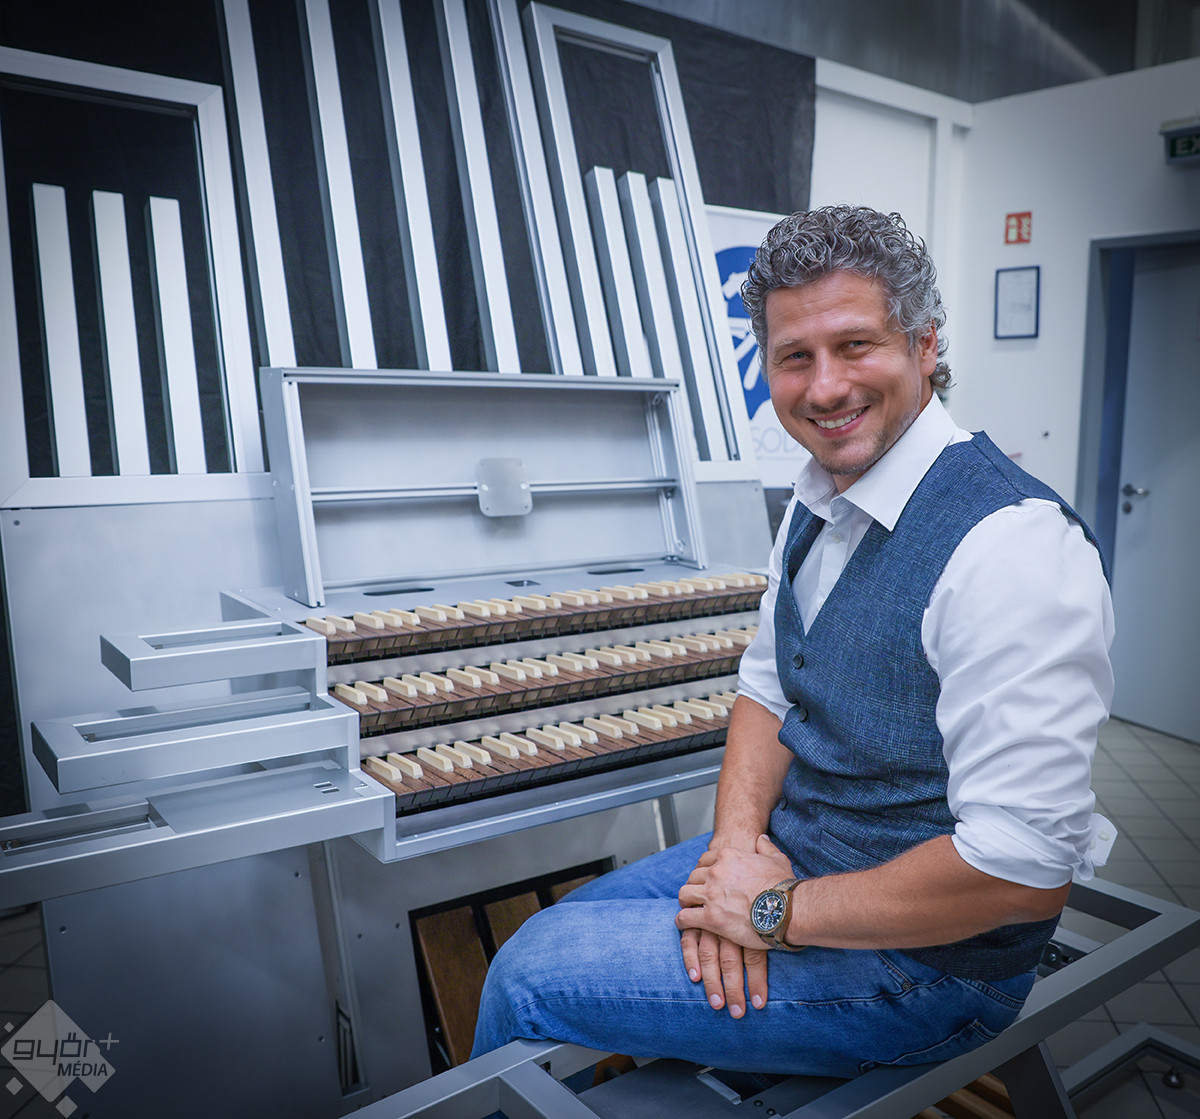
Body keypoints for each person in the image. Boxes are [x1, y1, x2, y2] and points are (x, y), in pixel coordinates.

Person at [472, 205, 1114, 1077]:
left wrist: (771, 913)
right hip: (792, 862)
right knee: (561, 926)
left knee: (527, 975)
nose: (824, 388)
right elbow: (768, 689)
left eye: (855, 346)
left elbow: (1021, 872)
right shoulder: (819, 497)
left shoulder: (1012, 546)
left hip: (929, 968)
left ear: (925, 343)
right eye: (795, 357)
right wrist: (739, 851)